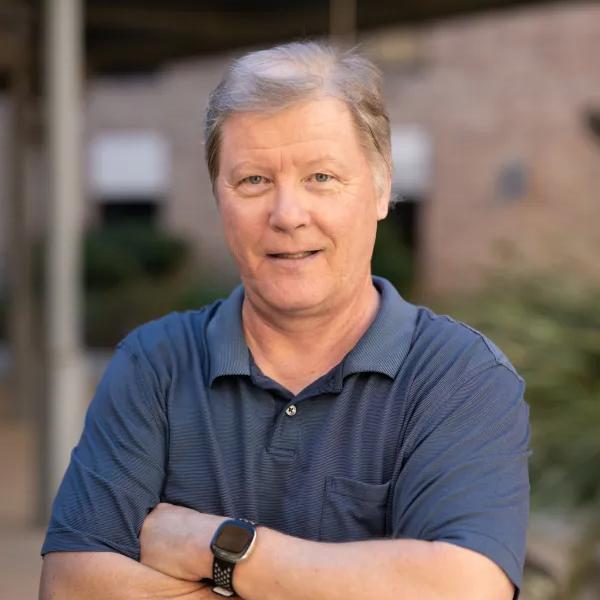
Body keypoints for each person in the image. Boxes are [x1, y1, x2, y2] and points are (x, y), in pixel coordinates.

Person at [39, 41, 530, 600]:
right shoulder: (155, 365)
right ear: (218, 197)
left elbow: (464, 589)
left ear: (382, 187)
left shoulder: (460, 379)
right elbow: (70, 586)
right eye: (253, 181)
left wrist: (216, 546)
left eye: (321, 177)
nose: (287, 215)